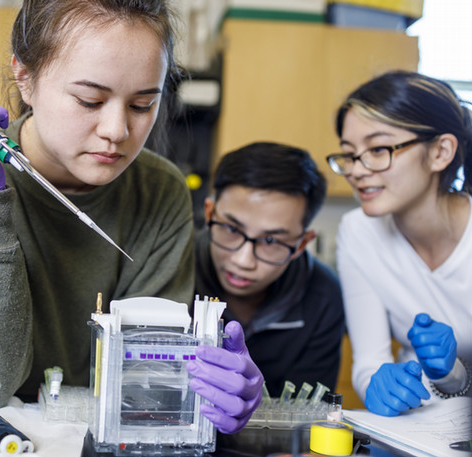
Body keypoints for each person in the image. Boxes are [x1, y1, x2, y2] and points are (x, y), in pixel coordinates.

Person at [0, 0, 261, 432]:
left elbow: (146, 388)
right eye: (90, 99)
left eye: (142, 105)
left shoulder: (160, 192)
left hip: (71, 428)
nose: (117, 131)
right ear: (25, 78)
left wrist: (211, 391)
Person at [328, 70, 472, 416]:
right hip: (416, 430)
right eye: (349, 154)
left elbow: (455, 381)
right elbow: (369, 361)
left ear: (440, 151)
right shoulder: (358, 232)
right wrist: (378, 382)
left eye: (378, 149)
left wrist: (453, 374)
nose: (357, 170)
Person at [195, 142, 344, 398]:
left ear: (301, 244)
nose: (243, 260)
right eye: (231, 229)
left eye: (271, 241)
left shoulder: (323, 296)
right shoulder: (170, 265)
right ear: (210, 213)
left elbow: (305, 419)